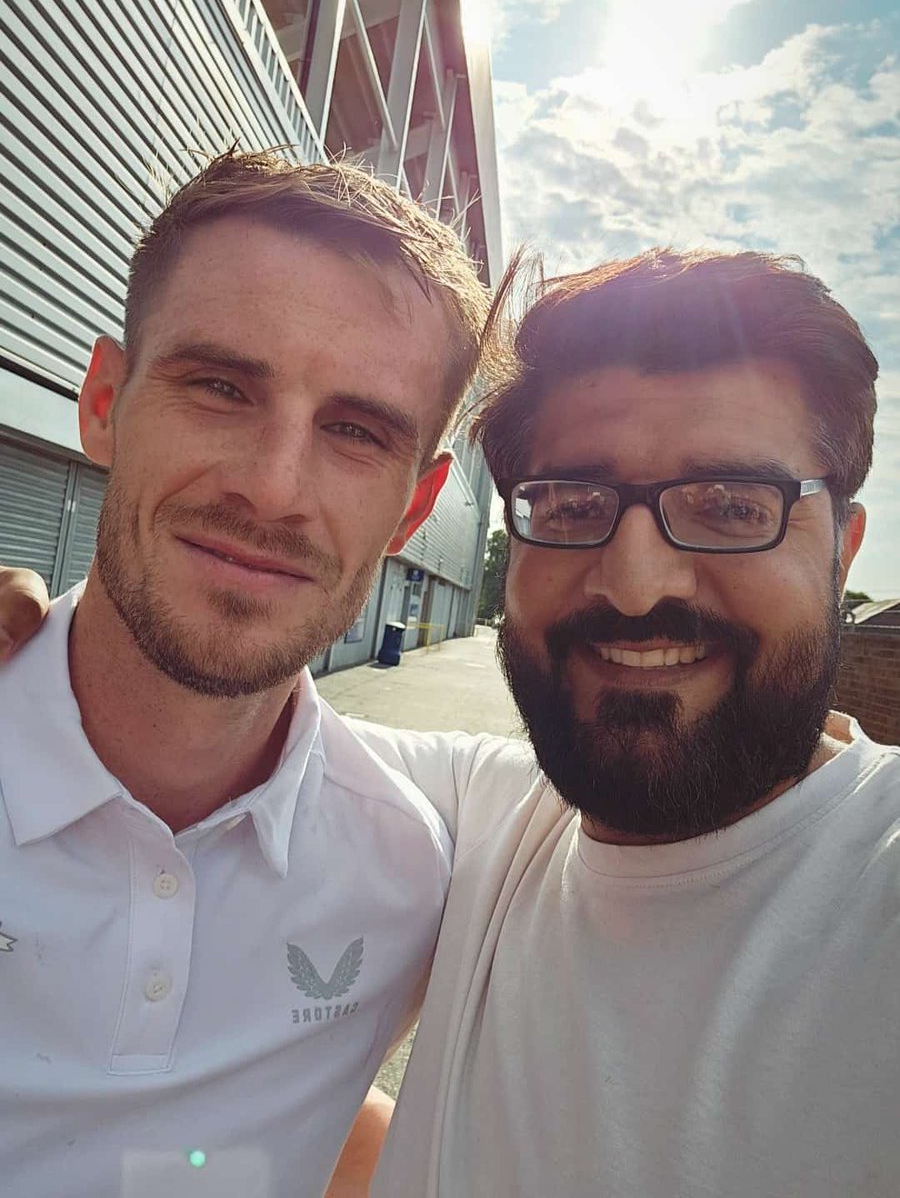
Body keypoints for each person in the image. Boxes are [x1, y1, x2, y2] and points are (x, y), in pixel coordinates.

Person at [5, 250, 899, 1196]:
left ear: (841, 549)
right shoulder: (471, 821)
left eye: (731, 507)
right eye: (573, 504)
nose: (637, 586)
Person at [0, 148, 493, 1198]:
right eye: (221, 387)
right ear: (102, 402)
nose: (274, 489)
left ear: (414, 507)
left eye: (356, 432)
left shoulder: (408, 869)